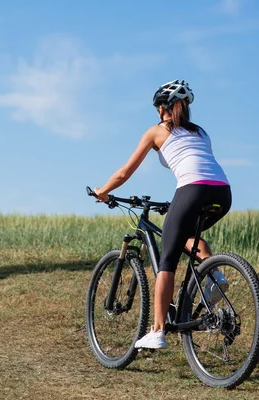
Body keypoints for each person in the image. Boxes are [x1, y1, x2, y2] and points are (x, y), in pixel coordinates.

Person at [93, 79, 232, 349]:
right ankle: (216, 277)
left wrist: (104, 191)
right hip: (223, 193)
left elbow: (125, 172)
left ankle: (157, 331)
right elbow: (200, 165)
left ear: (162, 108)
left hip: (192, 189)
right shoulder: (201, 132)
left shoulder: (156, 131)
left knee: (166, 262)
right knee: (189, 237)